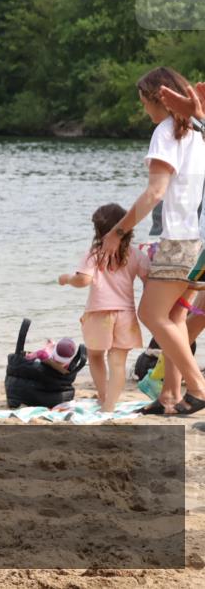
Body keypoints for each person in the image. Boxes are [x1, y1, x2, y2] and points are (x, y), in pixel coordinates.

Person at [101, 67, 205, 415]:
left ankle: (198, 387)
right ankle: (170, 396)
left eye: (143, 101)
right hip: (198, 240)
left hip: (179, 240)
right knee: (174, 317)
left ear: (156, 99)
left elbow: (154, 193)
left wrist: (118, 232)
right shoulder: (196, 132)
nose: (143, 109)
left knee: (151, 312)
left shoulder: (165, 132)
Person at [58, 203, 150, 412]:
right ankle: (110, 406)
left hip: (99, 313)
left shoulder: (95, 253)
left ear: (98, 231)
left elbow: (83, 280)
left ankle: (102, 394)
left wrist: (67, 278)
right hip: (126, 314)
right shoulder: (136, 255)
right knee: (117, 363)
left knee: (95, 355)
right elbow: (150, 280)